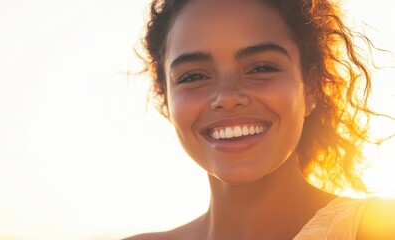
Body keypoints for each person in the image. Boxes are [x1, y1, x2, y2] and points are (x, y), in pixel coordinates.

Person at [125, 0, 395, 239]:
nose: (227, 97)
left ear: (311, 87)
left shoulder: (380, 229)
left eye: (261, 68)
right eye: (193, 76)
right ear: (166, 98)